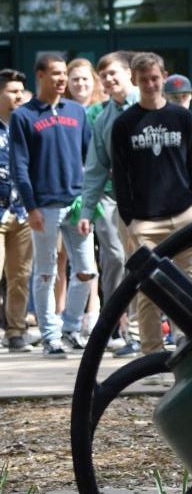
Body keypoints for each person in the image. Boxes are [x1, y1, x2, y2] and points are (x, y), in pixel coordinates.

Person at [109, 52, 192, 355]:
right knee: (148, 291)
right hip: (145, 220)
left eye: (155, 78)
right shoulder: (125, 123)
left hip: (185, 213)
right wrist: (130, 218)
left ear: (163, 76)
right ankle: (151, 357)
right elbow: (120, 176)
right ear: (136, 81)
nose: (151, 84)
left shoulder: (182, 117)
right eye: (144, 80)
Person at [8, 52, 97, 356]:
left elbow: (91, 159)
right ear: (41, 76)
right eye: (56, 74)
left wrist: (89, 201)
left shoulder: (77, 111)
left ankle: (71, 328)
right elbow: (19, 165)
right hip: (43, 207)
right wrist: (30, 207)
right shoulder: (23, 116)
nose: (63, 80)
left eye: (64, 74)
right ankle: (50, 336)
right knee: (45, 273)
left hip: (77, 204)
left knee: (86, 270)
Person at [78, 51, 139, 355]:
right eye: (104, 77)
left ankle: (144, 330)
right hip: (113, 199)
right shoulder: (104, 119)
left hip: (151, 200)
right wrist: (87, 210)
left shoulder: (150, 104)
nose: (109, 80)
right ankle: (116, 324)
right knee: (114, 257)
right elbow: (95, 168)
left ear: (130, 73)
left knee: (146, 259)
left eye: (114, 73)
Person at [0, 68, 34, 352]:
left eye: (21, 91)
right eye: (12, 91)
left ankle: (15, 331)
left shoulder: (28, 125)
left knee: (20, 275)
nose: (19, 96)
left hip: (23, 212)